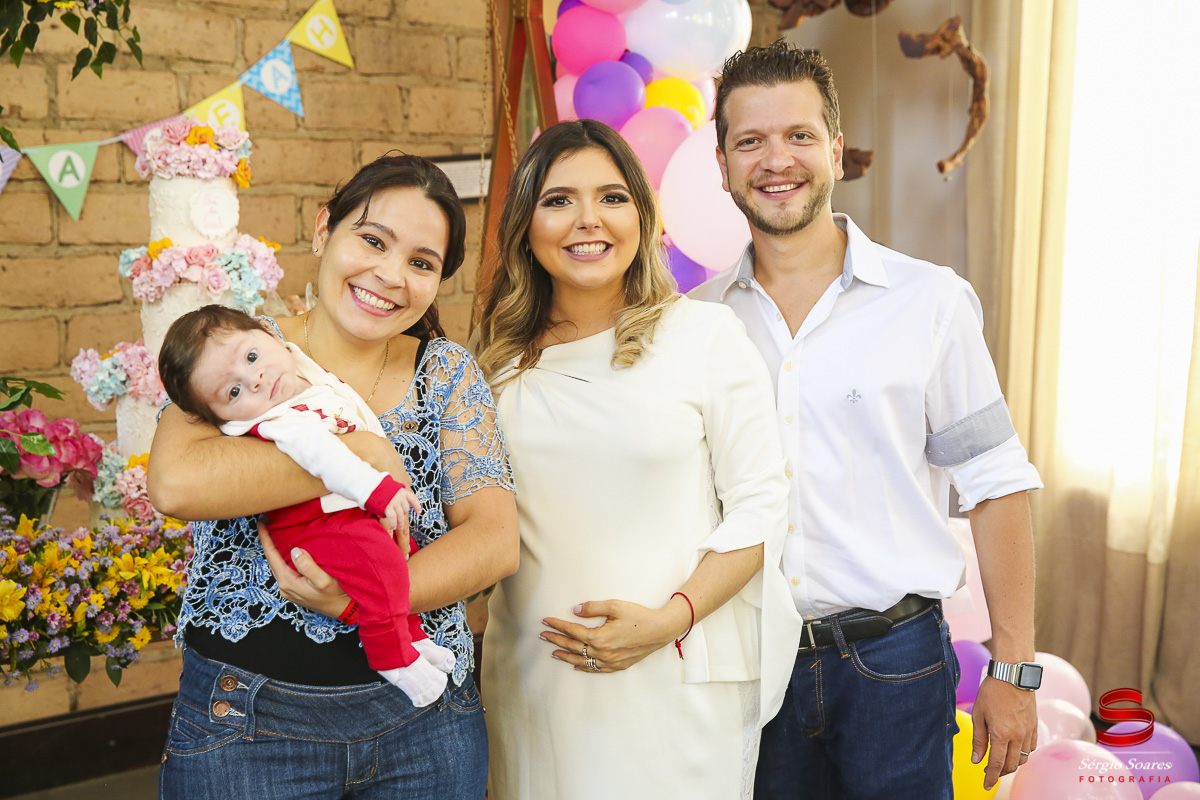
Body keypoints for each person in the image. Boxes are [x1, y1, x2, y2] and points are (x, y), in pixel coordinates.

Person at [689, 41, 1044, 799]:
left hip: (895, 665)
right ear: (721, 166)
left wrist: (1014, 670)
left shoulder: (930, 302)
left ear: (837, 151)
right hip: (752, 667)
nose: (775, 160)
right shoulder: (696, 323)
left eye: (799, 136)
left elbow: (994, 483)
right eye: (749, 141)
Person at [148, 154, 518, 799]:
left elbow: (493, 541)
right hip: (251, 731)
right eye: (372, 240)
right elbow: (180, 484)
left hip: (425, 728)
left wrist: (362, 603)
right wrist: (363, 458)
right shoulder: (239, 350)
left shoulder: (448, 373)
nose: (390, 275)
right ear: (325, 229)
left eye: (422, 263)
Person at [473, 119, 803, 800]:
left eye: (612, 197)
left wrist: (669, 620)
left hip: (672, 671)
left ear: (643, 218)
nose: (587, 220)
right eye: (559, 200)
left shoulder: (705, 338)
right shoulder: (495, 369)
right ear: (525, 227)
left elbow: (762, 507)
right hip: (534, 681)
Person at [157, 304, 456, 707]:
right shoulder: (283, 420)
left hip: (342, 513)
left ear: (271, 335)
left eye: (251, 356)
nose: (256, 379)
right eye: (233, 392)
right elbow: (326, 459)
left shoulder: (302, 376)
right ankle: (395, 660)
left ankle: (414, 638)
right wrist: (380, 490)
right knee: (383, 571)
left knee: (402, 561)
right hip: (312, 526)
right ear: (219, 418)